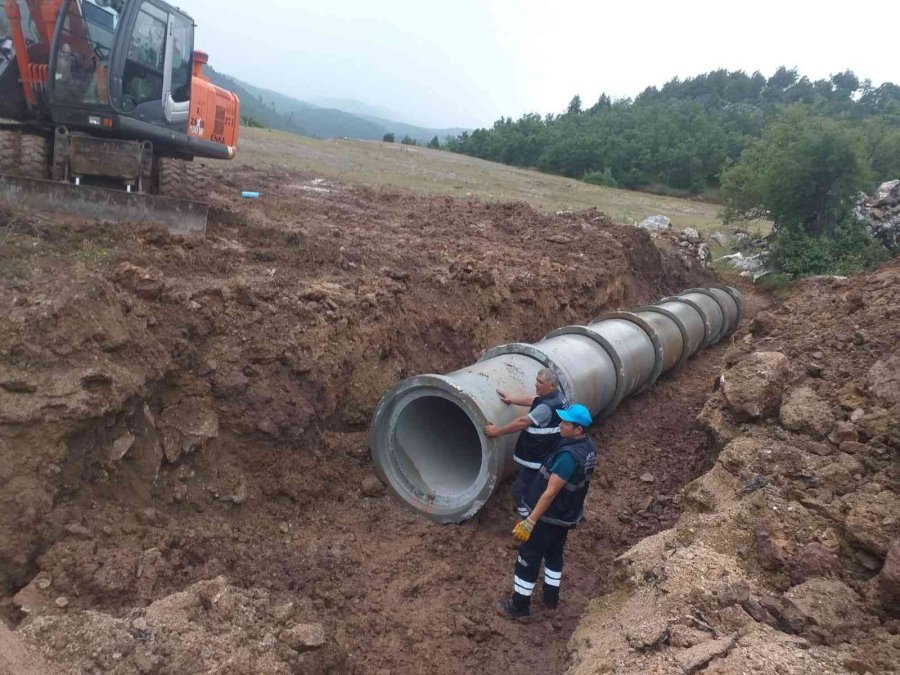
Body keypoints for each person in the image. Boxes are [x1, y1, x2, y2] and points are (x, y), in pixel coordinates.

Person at [497, 403, 597, 619]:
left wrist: (531, 521)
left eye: (565, 423)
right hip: (564, 515)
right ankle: (551, 598)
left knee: (528, 558)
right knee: (554, 555)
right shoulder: (586, 447)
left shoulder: (568, 458)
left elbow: (550, 492)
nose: (560, 425)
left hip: (548, 516)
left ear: (578, 429)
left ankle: (519, 606)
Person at [484, 368, 567, 518]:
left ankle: (528, 519)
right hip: (548, 455)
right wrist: (511, 399)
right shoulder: (558, 397)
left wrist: (497, 431)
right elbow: (533, 400)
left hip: (536, 458)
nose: (536, 384)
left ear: (552, 385)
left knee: (519, 491)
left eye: (540, 382)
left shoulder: (546, 408)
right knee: (536, 489)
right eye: (536, 380)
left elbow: (522, 422)